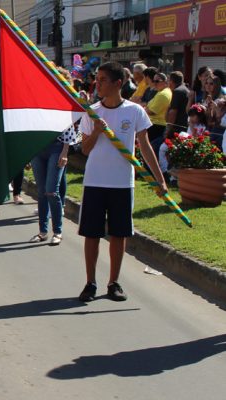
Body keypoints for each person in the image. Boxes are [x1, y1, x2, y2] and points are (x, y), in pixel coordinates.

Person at [77, 61, 167, 303]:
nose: (98, 83)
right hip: (95, 181)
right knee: (92, 234)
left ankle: (113, 282)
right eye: (97, 79)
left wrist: (159, 179)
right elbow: (85, 149)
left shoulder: (134, 111)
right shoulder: (92, 111)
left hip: (122, 183)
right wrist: (96, 131)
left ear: (118, 83)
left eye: (103, 79)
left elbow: (145, 147)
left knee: (119, 233)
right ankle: (90, 282)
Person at [29, 69, 79, 246]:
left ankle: (57, 231)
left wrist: (65, 152)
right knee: (41, 191)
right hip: (37, 148)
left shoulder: (63, 99)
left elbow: (68, 126)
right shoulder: (36, 98)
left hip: (57, 147)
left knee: (52, 190)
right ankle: (43, 231)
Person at [166, 71, 190, 137]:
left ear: (171, 81)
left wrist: (168, 129)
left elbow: (173, 112)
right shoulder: (186, 90)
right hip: (185, 127)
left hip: (177, 128)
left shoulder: (177, 92)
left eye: (168, 80)